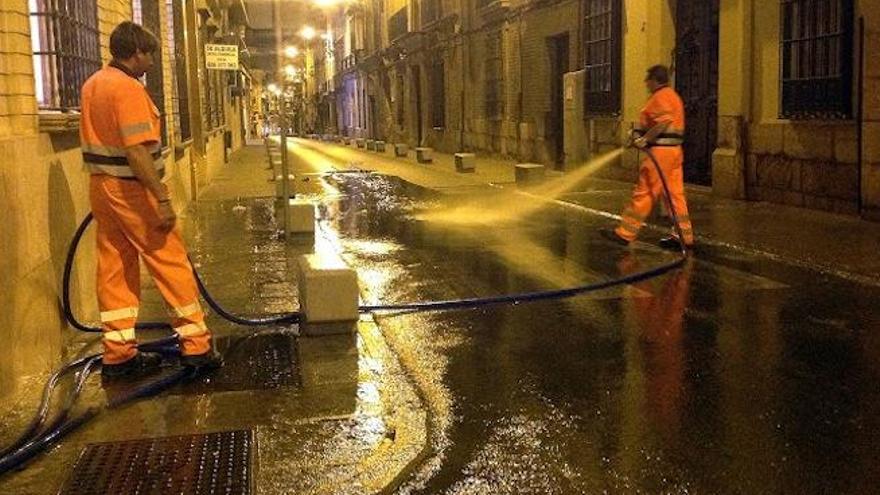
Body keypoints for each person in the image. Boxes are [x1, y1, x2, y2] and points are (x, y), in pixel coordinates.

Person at [80, 21, 222, 378]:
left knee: (115, 267)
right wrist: (160, 197)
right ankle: (196, 346)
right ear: (136, 52)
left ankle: (118, 353)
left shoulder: (93, 84)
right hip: (134, 189)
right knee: (169, 261)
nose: (152, 63)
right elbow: (137, 151)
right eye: (150, 55)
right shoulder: (127, 89)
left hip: (103, 187)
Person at [600, 65, 695, 251]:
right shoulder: (673, 97)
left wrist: (645, 139)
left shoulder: (661, 97)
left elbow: (663, 121)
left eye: (647, 80)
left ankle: (625, 233)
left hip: (660, 154)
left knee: (645, 191)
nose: (645, 84)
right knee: (674, 195)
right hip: (674, 153)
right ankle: (684, 236)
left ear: (654, 80)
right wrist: (638, 135)